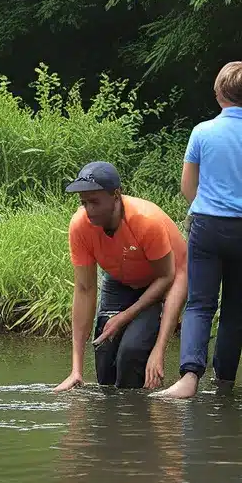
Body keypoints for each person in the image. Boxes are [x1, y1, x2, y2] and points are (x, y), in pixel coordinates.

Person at [156, 61, 242, 399]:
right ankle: (224, 383)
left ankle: (189, 379)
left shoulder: (202, 132)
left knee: (199, 304)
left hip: (207, 228)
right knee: (234, 311)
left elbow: (187, 187)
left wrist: (208, 208)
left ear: (218, 93)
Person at [54, 161, 188, 392]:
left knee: (131, 352)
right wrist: (76, 369)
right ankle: (113, 423)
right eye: (84, 203)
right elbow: (85, 289)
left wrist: (157, 348)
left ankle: (137, 418)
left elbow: (168, 277)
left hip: (165, 279)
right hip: (120, 279)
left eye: (95, 202)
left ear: (116, 195)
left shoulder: (146, 221)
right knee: (105, 357)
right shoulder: (80, 226)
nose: (89, 210)